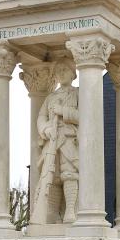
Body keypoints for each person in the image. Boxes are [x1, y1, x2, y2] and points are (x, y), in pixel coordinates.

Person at [31, 61, 79, 224]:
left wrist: (63, 111)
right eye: (58, 70)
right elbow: (41, 117)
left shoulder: (78, 93)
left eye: (65, 69)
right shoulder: (51, 97)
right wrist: (45, 129)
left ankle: (70, 211)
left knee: (69, 173)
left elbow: (86, 115)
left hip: (68, 139)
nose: (61, 72)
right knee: (53, 176)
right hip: (52, 140)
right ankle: (52, 213)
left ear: (73, 73)